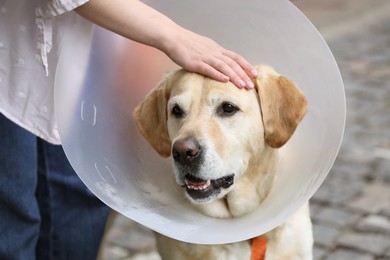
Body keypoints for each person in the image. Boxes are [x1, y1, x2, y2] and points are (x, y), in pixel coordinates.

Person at [0, 0, 257, 259]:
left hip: (84, 51)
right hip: (8, 57)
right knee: (13, 217)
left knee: (76, 201)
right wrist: (172, 37)